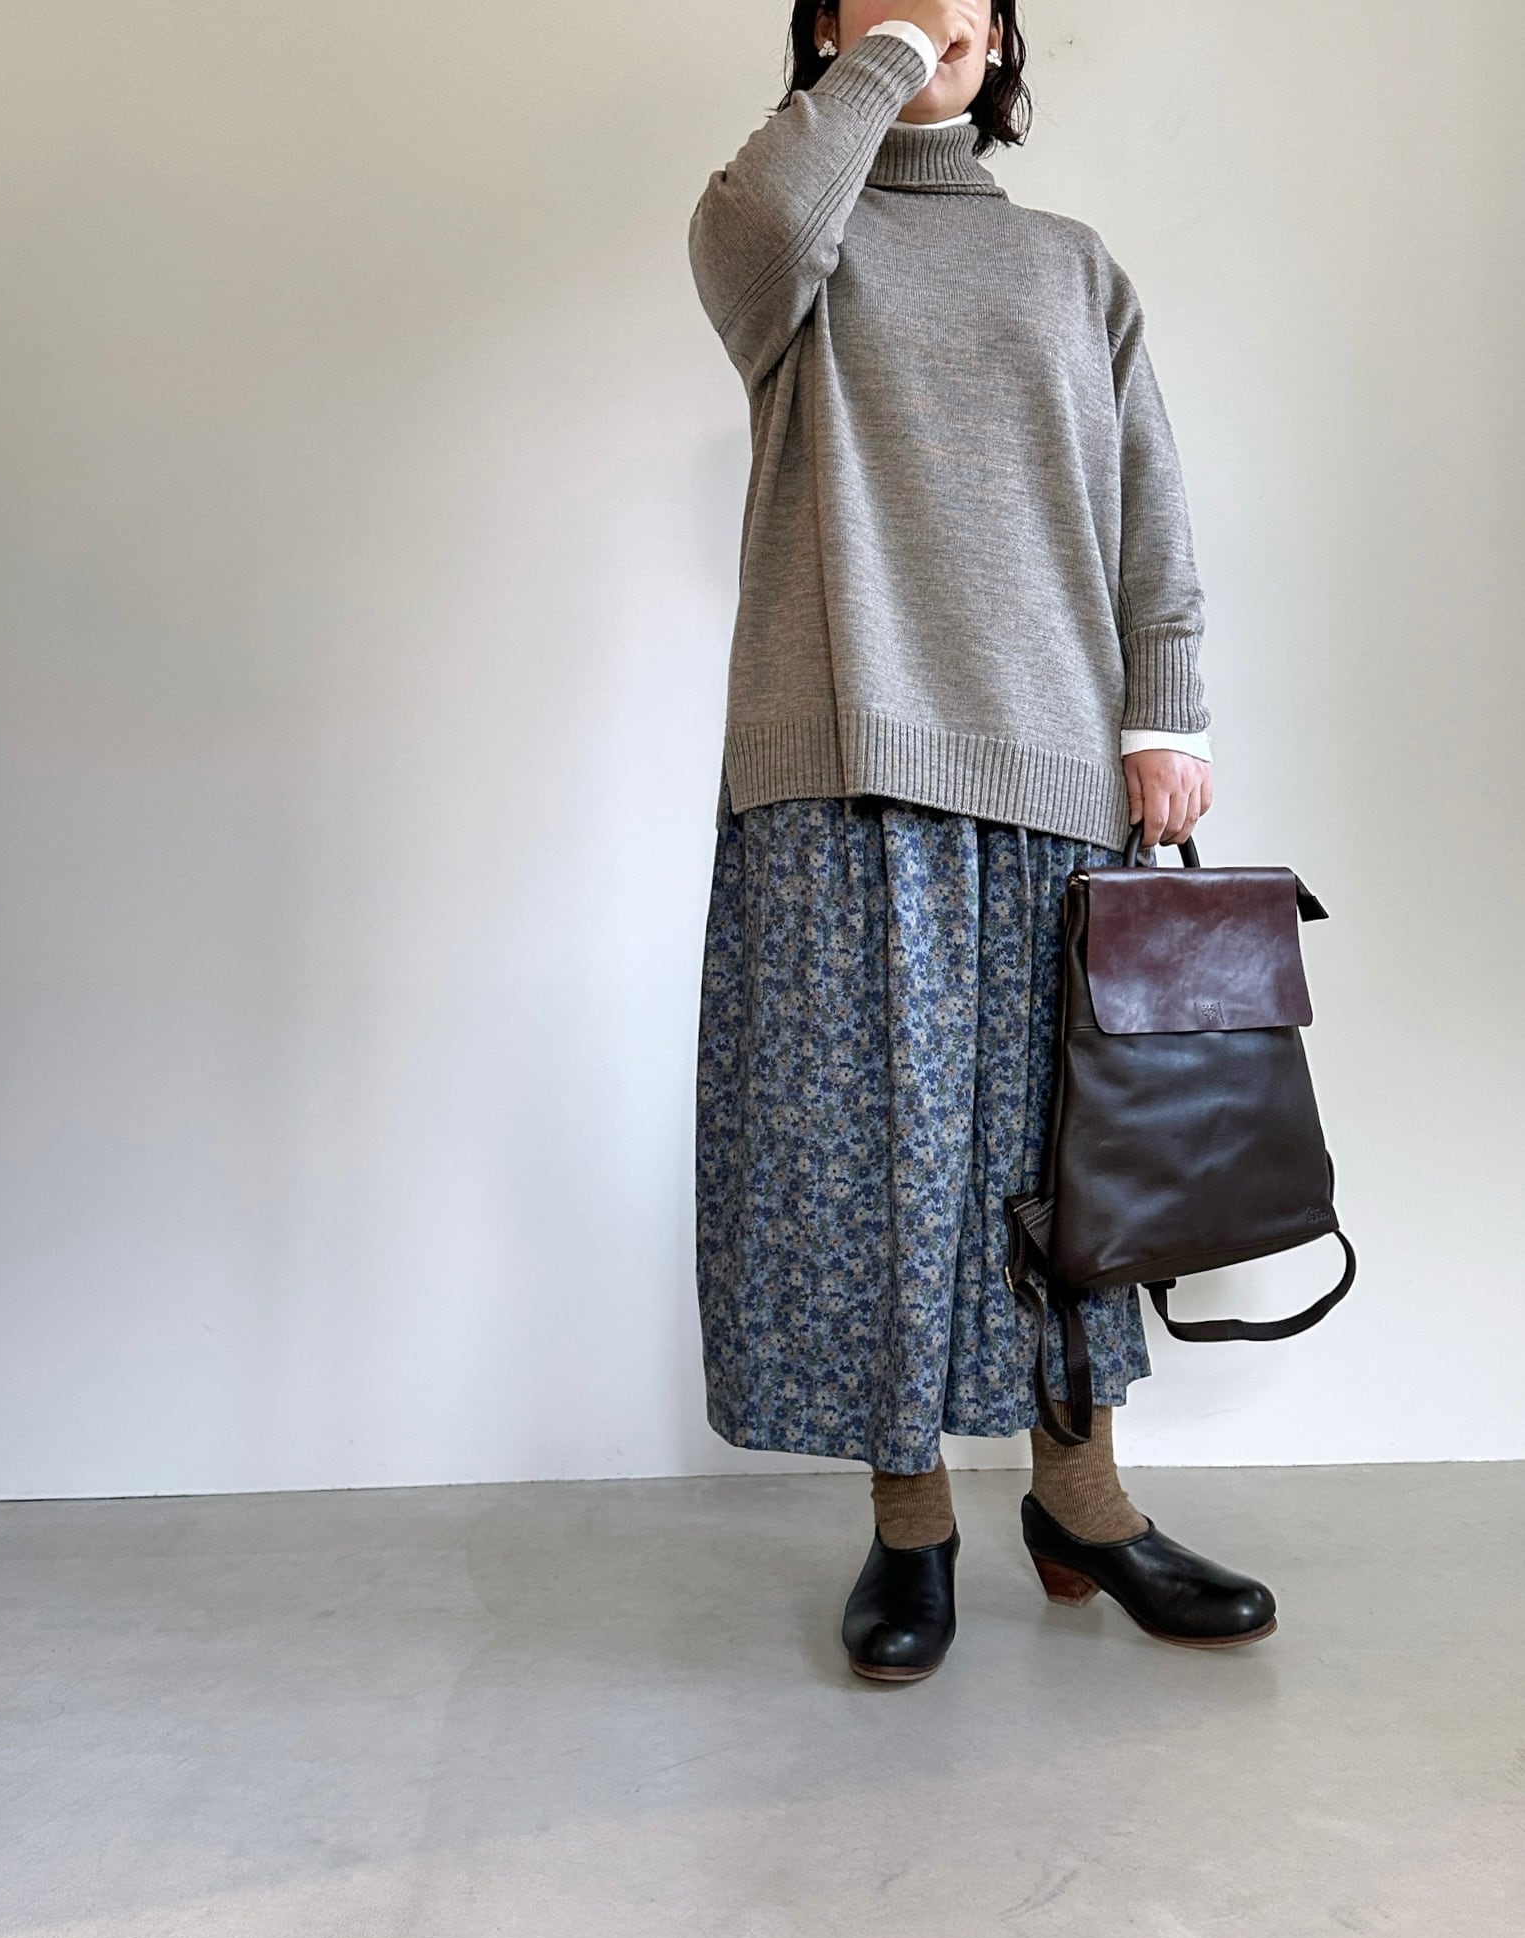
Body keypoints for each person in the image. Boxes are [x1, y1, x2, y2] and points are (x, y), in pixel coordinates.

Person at [687, 0, 1278, 1682]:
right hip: (845, 770)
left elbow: (1149, 508)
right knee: (878, 1166)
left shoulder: (1074, 267)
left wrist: (1169, 720)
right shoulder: (791, 242)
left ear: (1009, 38)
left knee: (1074, 1171)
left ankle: (1083, 1502)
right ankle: (911, 1524)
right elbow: (756, 223)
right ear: (824, 25)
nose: (941, 10)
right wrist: (884, 54)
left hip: (1061, 776)